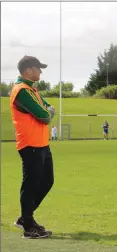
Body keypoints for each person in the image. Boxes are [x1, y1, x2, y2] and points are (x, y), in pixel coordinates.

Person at [10, 55, 55, 239]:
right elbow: (44, 115)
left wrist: (48, 111)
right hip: (30, 145)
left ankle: (25, 218)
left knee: (47, 181)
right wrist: (48, 112)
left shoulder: (32, 90)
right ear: (28, 70)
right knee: (31, 184)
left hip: (42, 144)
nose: (41, 71)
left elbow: (47, 109)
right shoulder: (22, 91)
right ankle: (28, 226)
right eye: (38, 68)